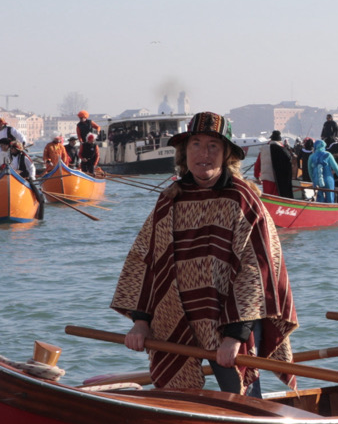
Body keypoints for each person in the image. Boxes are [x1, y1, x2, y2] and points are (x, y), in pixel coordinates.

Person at [112, 112, 298, 395]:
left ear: (226, 155)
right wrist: (141, 322)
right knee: (175, 397)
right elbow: (146, 261)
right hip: (177, 315)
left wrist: (234, 336)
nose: (204, 153)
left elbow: (257, 270)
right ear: (184, 153)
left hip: (230, 319)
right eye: (196, 144)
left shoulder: (242, 199)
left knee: (240, 399)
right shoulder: (170, 199)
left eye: (213, 146)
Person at [256, 130, 296, 199]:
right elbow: (288, 162)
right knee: (276, 198)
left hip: (265, 179)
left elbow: (258, 164)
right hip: (276, 180)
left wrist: (257, 176)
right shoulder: (281, 149)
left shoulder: (263, 149)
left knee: (268, 198)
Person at [305, 138, 338, 203]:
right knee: (330, 196)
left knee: (319, 197)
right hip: (328, 179)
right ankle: (330, 209)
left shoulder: (311, 156)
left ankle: (320, 209)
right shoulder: (328, 155)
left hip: (317, 179)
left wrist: (313, 179)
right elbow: (335, 167)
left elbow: (310, 170)